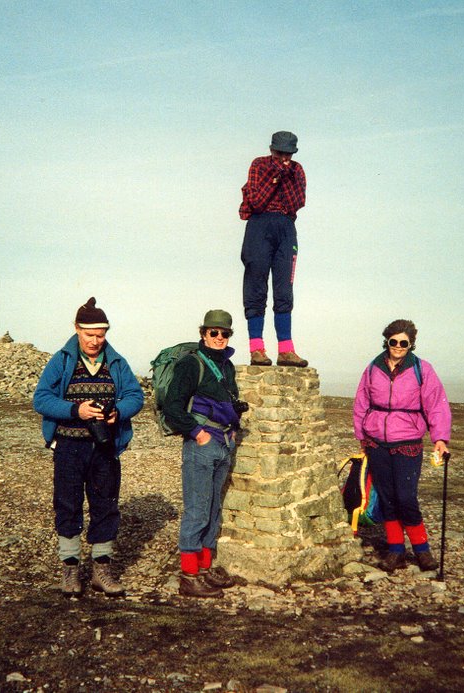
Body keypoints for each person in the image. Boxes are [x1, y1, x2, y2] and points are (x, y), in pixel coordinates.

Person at [33, 297, 144, 597]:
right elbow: (40, 399)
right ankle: (70, 571)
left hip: (105, 448)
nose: (95, 341)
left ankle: (101, 571)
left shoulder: (117, 362)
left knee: (105, 506)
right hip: (69, 446)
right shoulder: (62, 360)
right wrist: (75, 411)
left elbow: (136, 395)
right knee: (67, 505)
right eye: (89, 334)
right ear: (77, 329)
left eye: (100, 335)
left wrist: (117, 412)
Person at [352, 319, 451, 573]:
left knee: (406, 497)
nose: (397, 346)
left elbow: (436, 404)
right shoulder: (373, 367)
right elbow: (361, 401)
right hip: (376, 442)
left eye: (403, 343)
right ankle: (396, 551)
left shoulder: (422, 369)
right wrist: (362, 437)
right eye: (393, 341)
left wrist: (440, 438)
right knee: (386, 497)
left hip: (407, 442)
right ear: (387, 341)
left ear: (411, 345)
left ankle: (422, 550)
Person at [163, 309, 245, 598]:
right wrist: (197, 433)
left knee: (213, 509)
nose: (219, 337)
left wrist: (233, 429)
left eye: (224, 333)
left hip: (223, 441)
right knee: (197, 509)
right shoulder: (190, 364)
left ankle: (205, 568)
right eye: (214, 332)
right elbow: (172, 406)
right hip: (202, 442)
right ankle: (189, 575)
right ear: (203, 334)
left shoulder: (227, 366)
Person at [239, 130, 309, 368]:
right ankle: (256, 348)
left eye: (288, 155)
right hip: (259, 227)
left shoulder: (297, 170)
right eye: (280, 154)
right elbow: (257, 202)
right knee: (255, 285)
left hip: (285, 228)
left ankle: (286, 350)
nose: (284, 159)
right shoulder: (259, 165)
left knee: (284, 289)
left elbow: (297, 203)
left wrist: (285, 175)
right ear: (272, 150)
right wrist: (277, 177)